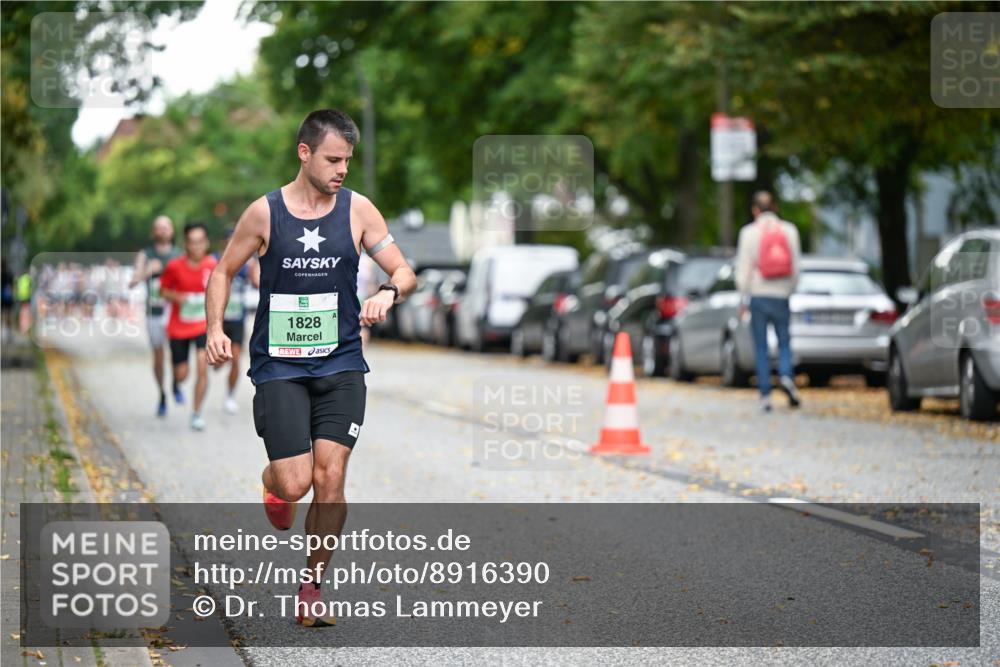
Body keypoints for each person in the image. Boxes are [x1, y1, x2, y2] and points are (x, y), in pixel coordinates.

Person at [205, 109, 416, 627]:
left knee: (331, 478)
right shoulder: (264, 213)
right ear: (305, 153)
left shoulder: (359, 210)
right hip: (279, 365)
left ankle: (311, 589)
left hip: (342, 362)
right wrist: (214, 329)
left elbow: (404, 270)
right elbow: (222, 272)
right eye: (332, 159)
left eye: (347, 159)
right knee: (295, 484)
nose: (342, 169)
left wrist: (389, 292)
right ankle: (273, 479)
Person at [735, 190, 802, 413]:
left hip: (759, 295)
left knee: (761, 346)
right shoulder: (789, 231)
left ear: (755, 210)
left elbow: (743, 268)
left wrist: (743, 295)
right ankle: (786, 375)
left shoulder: (749, 233)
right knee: (784, 342)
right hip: (782, 295)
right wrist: (789, 290)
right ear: (775, 207)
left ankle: (765, 394)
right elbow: (796, 267)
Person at [160, 223, 217, 431]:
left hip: (202, 324)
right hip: (179, 327)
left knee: (203, 366)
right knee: (182, 373)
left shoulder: (212, 265)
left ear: (206, 243)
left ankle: (196, 413)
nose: (196, 247)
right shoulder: (175, 266)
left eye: (200, 242)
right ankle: (176, 382)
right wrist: (177, 296)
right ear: (186, 244)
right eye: (192, 242)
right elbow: (163, 291)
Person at [129, 216, 182, 417]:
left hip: (175, 314)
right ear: (153, 233)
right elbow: (132, 282)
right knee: (159, 358)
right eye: (158, 228)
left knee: (178, 356)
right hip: (154, 314)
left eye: (166, 227)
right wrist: (147, 272)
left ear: (172, 231)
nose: (162, 230)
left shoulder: (178, 255)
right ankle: (162, 394)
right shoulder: (146, 255)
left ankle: (177, 383)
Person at [213, 226, 260, 414]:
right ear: (224, 242)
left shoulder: (247, 263)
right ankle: (218, 363)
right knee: (220, 359)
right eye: (229, 240)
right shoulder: (215, 261)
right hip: (219, 319)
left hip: (237, 319)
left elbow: (258, 282)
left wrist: (255, 266)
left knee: (236, 358)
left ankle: (230, 396)